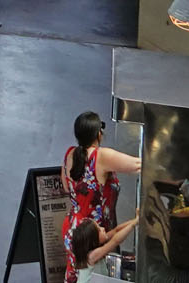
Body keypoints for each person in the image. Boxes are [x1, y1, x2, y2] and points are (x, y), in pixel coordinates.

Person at [61, 112, 140, 283]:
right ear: (98, 134)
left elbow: (67, 187)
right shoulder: (101, 156)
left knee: (76, 276)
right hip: (93, 235)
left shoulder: (69, 154)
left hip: (72, 230)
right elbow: (138, 165)